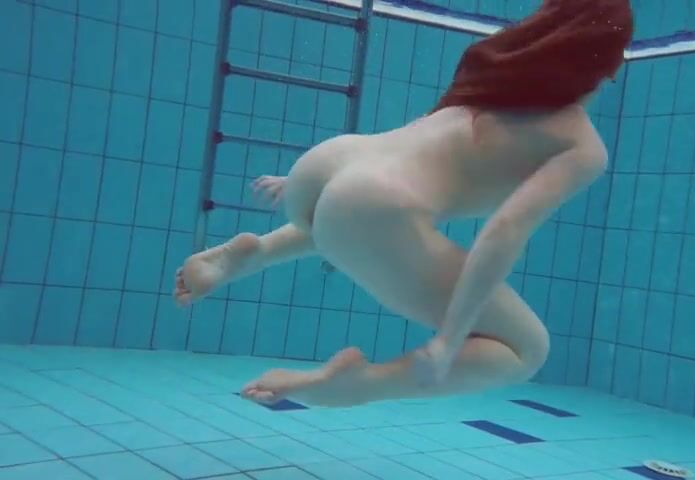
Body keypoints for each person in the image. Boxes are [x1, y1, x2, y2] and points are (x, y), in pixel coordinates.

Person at [174, 0, 633, 407]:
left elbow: (401, 155)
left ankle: (254, 253)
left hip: (330, 161)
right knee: (526, 349)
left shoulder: (493, 77)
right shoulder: (579, 144)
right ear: (604, 66)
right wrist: (451, 338)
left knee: (352, 223)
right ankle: (363, 384)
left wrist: (295, 182)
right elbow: (503, 232)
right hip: (368, 205)